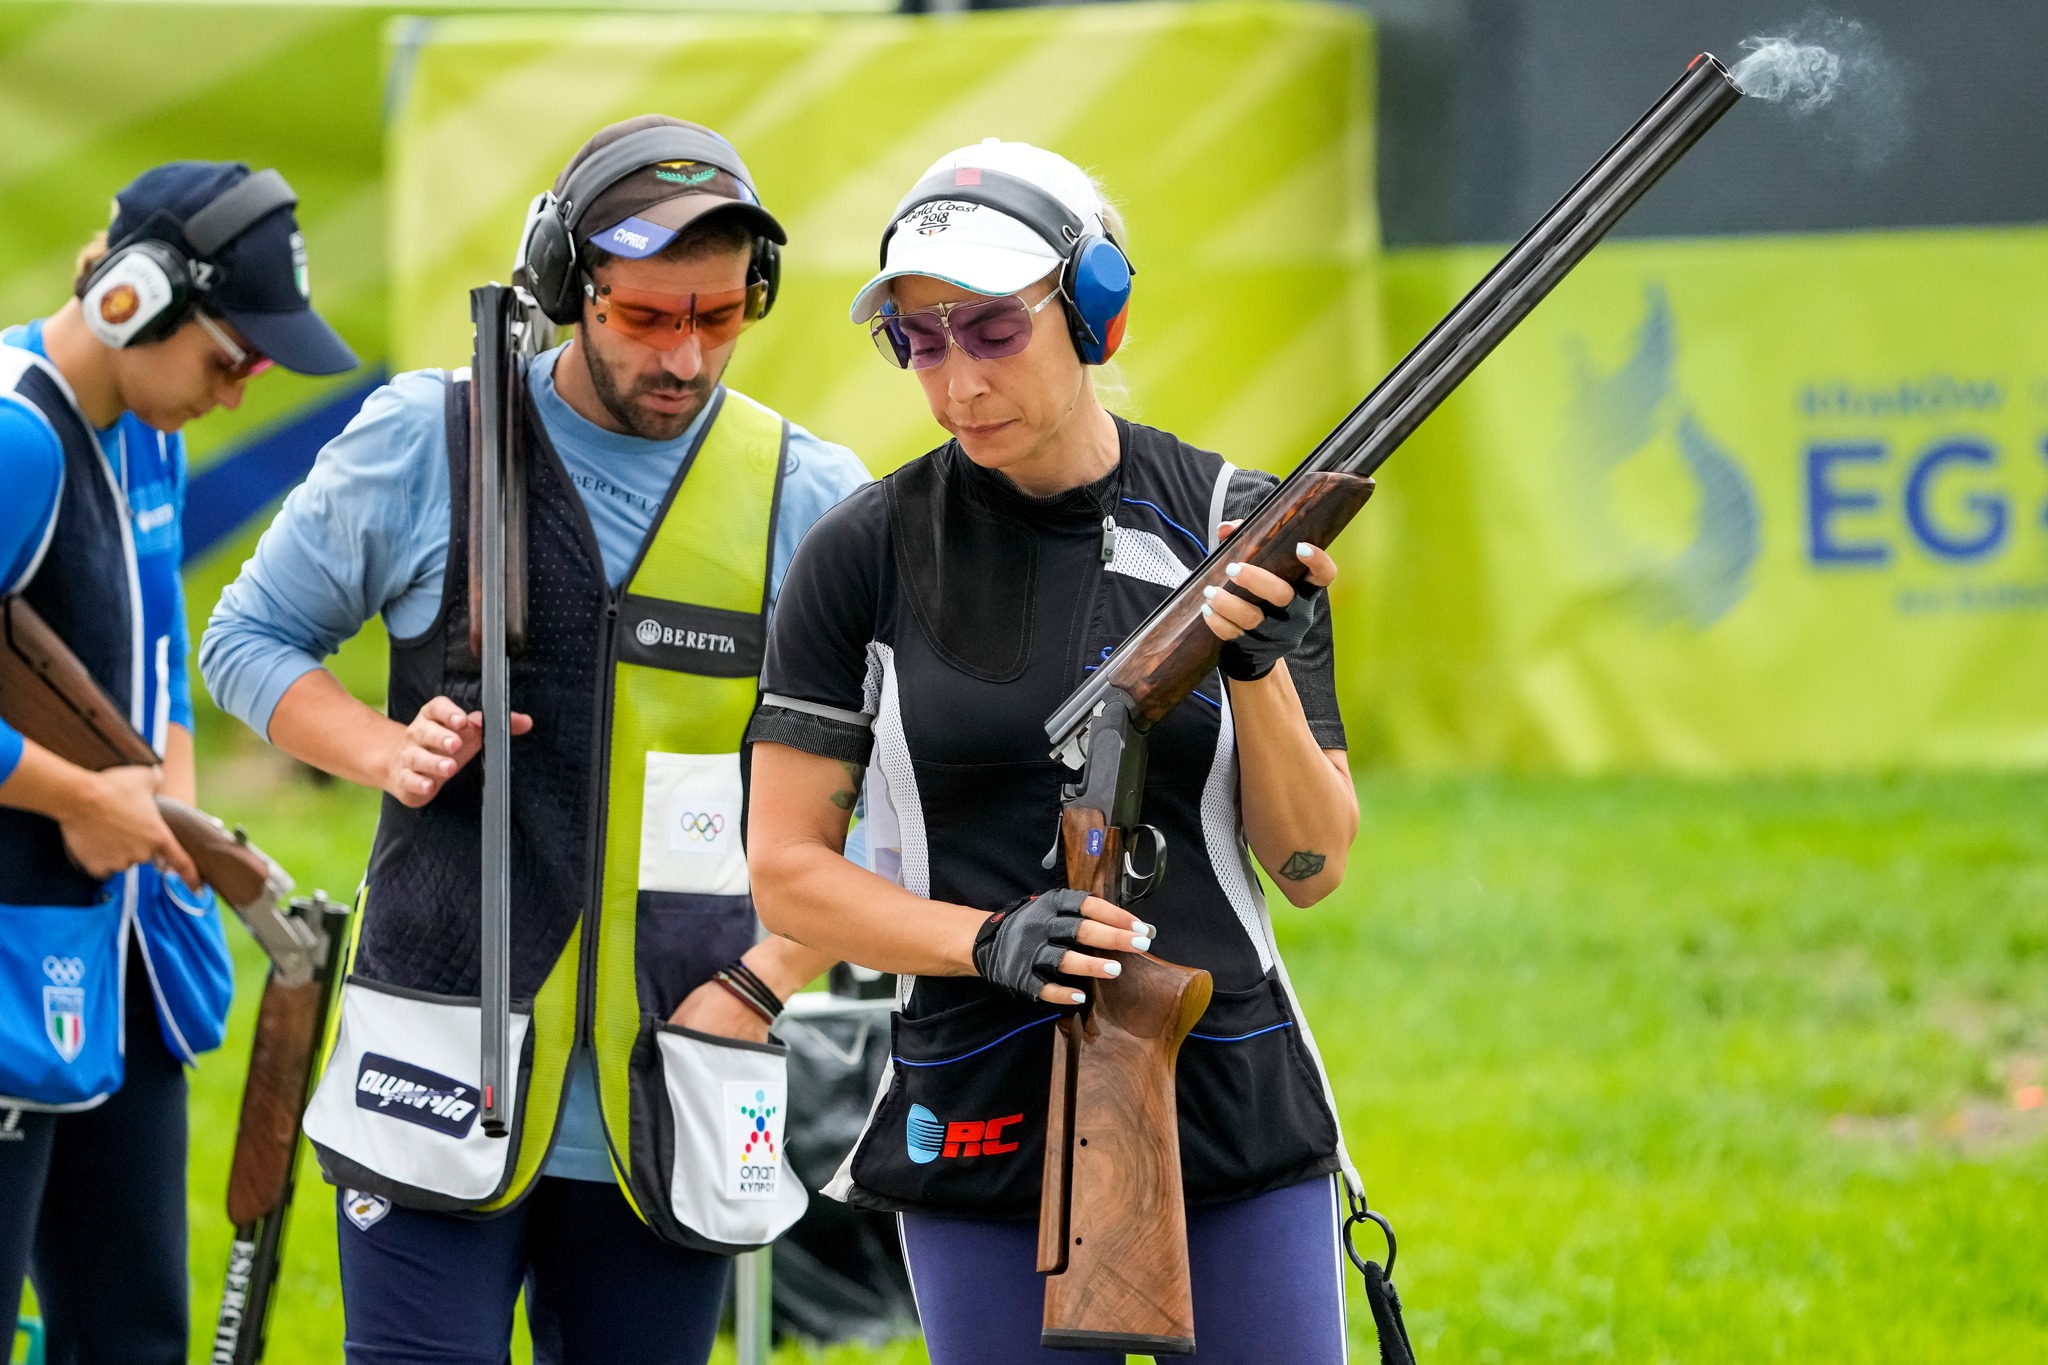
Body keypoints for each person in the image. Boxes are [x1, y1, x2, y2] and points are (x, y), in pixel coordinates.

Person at [201, 116, 867, 1365]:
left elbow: (879, 793)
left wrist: (768, 977)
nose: (688, 356)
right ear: (568, 288)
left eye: (720, 318)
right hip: (434, 1056)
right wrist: (377, 749)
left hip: (683, 1070)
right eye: (646, 318)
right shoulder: (426, 438)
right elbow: (247, 640)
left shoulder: (806, 493)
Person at [743, 138, 1363, 1363]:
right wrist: (985, 940)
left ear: (1092, 313)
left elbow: (1308, 866)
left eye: (989, 330)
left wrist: (1255, 669)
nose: (955, 380)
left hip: (1225, 1089)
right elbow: (786, 872)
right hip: (978, 1092)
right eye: (918, 340)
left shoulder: (1232, 522)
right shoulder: (862, 555)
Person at [0, 162, 357, 1360]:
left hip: (121, 948)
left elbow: (155, 670)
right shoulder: (17, 439)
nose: (242, 387)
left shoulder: (143, 433)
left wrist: (173, 819)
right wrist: (77, 799)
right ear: (129, 300)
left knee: (137, 1331)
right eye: (229, 357)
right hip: (17, 942)